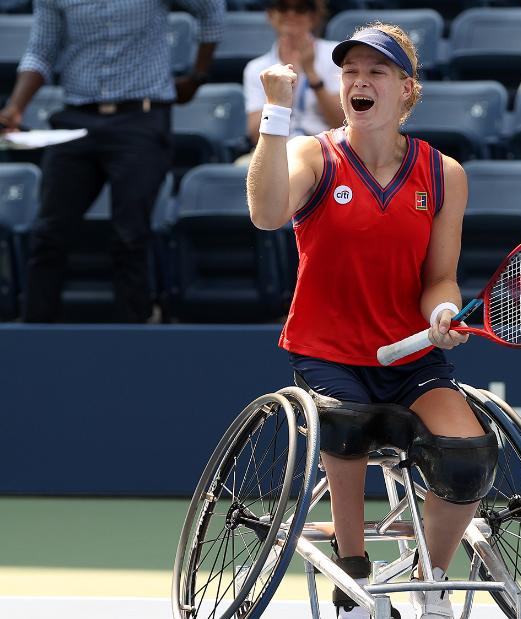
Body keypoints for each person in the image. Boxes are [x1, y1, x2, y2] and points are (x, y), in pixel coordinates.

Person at [247, 22, 486, 619]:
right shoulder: (312, 155)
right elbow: (266, 212)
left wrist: (442, 311)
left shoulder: (443, 174)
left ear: (406, 89)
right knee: (346, 422)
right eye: (351, 71)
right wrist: (278, 111)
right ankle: (353, 570)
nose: (359, 81)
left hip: (410, 356)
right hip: (328, 350)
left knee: (468, 456)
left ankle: (429, 576)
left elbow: (441, 275)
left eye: (376, 72)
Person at [0, 0, 225, 323]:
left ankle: (133, 335)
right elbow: (41, 51)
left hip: (140, 116)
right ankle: (35, 333)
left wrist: (198, 75)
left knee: (130, 235)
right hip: (77, 115)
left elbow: (210, 9)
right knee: (49, 232)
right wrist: (15, 107)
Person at [242, 0, 343, 147]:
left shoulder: (335, 54)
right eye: (283, 7)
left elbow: (342, 123)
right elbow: (255, 135)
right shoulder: (256, 68)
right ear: (271, 15)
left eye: (301, 8)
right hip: (276, 148)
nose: (291, 14)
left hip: (327, 148)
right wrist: (286, 84)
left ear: (313, 16)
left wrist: (311, 73)